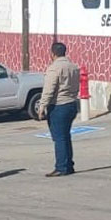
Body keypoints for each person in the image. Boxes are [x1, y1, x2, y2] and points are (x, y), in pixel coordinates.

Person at [38, 42, 79, 177]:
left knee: (59, 137)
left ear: (53, 54)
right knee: (66, 135)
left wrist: (42, 106)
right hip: (72, 103)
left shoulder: (54, 68)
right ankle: (68, 165)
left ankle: (61, 167)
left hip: (59, 105)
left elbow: (49, 89)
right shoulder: (73, 67)